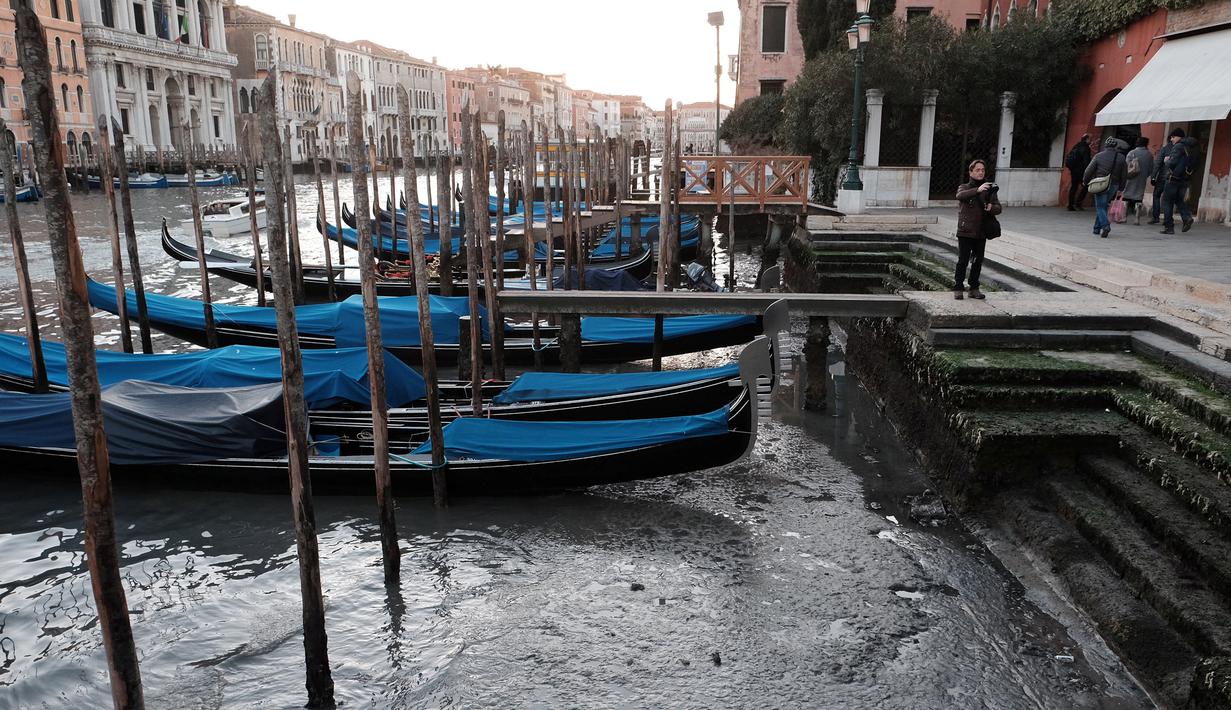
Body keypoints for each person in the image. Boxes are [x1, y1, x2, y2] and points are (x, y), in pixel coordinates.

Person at [953, 159, 1002, 300]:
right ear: (971, 172)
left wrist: (992, 208)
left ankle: (974, 288)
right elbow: (959, 196)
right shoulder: (964, 187)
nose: (980, 172)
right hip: (965, 231)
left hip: (981, 231)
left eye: (983, 170)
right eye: (977, 170)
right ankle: (958, 287)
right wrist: (977, 190)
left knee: (977, 261)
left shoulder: (991, 189)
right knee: (963, 260)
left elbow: (998, 208)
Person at [1083, 137, 1127, 239]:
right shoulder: (1121, 157)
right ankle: (1096, 229)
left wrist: (1085, 181)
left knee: (1100, 206)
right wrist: (1121, 187)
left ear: (1105, 145)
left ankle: (1105, 225)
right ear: (1115, 146)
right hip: (1114, 185)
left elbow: (1088, 171)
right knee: (1103, 206)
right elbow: (1124, 174)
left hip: (1100, 184)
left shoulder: (1098, 156)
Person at [1160, 135, 1199, 234]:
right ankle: (1187, 218)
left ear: (1180, 138)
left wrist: (1166, 161)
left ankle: (1169, 227)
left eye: (1173, 137)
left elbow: (1172, 163)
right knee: (1179, 200)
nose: (1172, 139)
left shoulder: (1179, 146)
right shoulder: (1194, 150)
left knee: (1167, 202)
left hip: (1173, 179)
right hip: (1184, 180)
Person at [1148, 128, 1184, 225]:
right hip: (1176, 178)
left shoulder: (1166, 148)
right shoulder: (1184, 148)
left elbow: (1158, 163)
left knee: (1157, 196)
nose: (1172, 139)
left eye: (1173, 137)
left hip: (1164, 177)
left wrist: (1153, 176)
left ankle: (1156, 217)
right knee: (1170, 199)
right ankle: (1167, 219)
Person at [1122, 136, 1153, 224]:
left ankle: (1124, 217)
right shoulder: (1149, 155)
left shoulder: (1132, 153)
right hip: (1142, 179)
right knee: (1138, 198)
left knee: (1126, 197)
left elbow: (1126, 166)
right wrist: (1145, 175)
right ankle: (1137, 218)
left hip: (1130, 178)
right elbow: (1151, 168)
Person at [1065, 134, 1092, 211]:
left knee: (1074, 187)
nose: (1091, 141)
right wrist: (1088, 171)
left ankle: (1070, 205)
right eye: (1090, 139)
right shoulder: (1086, 148)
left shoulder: (1076, 146)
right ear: (1086, 139)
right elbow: (1086, 162)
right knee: (1086, 186)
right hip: (1081, 171)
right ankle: (1078, 203)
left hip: (1074, 170)